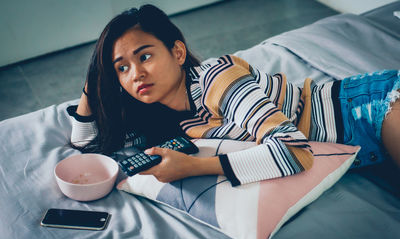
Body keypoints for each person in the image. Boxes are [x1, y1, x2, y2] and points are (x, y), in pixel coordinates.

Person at [68, 4, 400, 187]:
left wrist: (191, 168)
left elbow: (295, 153)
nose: (136, 73)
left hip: (372, 107)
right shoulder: (164, 118)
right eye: (121, 68)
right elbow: (87, 147)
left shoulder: (217, 76)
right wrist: (93, 81)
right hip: (361, 147)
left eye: (144, 56)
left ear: (178, 53)